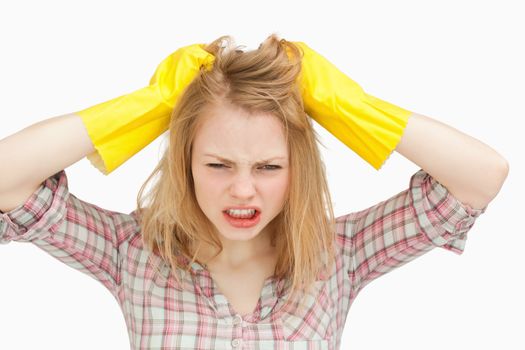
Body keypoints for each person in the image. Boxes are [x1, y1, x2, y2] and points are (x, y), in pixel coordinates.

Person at [0, 34, 508, 349]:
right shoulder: (133, 251)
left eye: (268, 166)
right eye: (218, 164)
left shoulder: (338, 253)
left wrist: (351, 107)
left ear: (297, 168)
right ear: (187, 164)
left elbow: (481, 177)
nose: (242, 191)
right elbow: (7, 179)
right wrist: (149, 104)